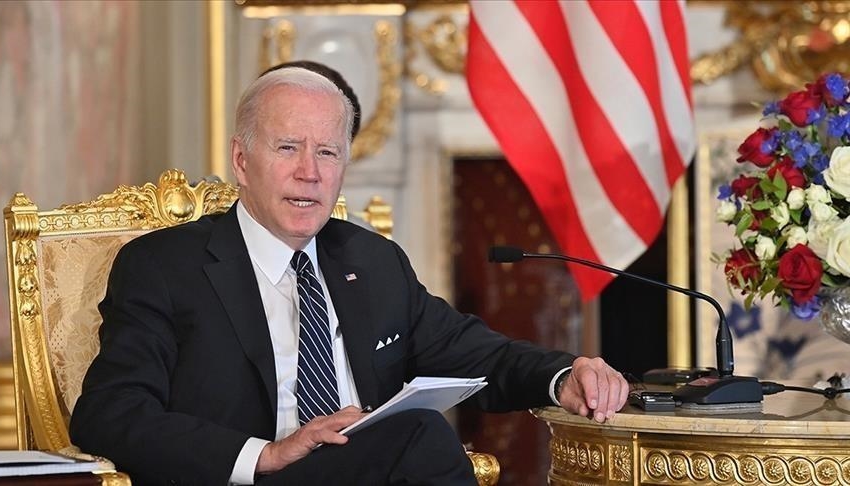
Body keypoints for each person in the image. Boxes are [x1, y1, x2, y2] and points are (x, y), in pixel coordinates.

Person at [70, 61, 629, 486]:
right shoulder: (165, 267)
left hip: (365, 472)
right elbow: (109, 415)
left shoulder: (371, 260)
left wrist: (564, 374)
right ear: (241, 160)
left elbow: (476, 353)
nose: (309, 173)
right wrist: (267, 454)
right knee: (421, 434)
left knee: (418, 438)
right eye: (288, 148)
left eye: (328, 153)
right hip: (250, 477)